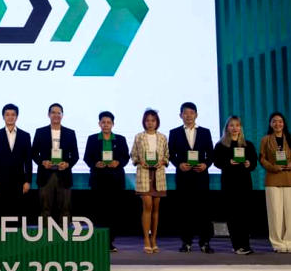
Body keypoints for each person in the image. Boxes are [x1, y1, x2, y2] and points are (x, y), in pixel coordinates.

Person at [168, 101, 214, 253]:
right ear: (180, 115)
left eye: (191, 113)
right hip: (183, 176)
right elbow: (170, 154)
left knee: (204, 210)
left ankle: (205, 242)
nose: (188, 116)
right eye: (185, 113)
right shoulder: (174, 132)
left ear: (196, 115)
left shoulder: (205, 132)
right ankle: (186, 242)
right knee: (185, 210)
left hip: (201, 176)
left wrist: (206, 164)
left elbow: (211, 154)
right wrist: (179, 164)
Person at [84, 111, 129, 252]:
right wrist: (95, 163)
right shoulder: (92, 139)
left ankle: (110, 241)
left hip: (115, 181)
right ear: (99, 124)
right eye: (103, 122)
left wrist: (118, 162)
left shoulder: (120, 139)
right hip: (98, 180)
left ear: (113, 124)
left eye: (108, 122)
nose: (106, 125)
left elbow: (126, 157)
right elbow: (87, 157)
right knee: (99, 212)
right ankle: (99, 240)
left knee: (113, 212)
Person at [213, 115, 258, 255]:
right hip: (229, 184)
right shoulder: (220, 145)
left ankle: (245, 244)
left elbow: (254, 163)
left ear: (241, 127)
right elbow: (216, 162)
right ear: (227, 127)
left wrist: (249, 163)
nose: (234, 128)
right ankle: (237, 245)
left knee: (244, 215)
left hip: (244, 184)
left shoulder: (248, 145)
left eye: (237, 125)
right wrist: (228, 162)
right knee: (232, 215)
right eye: (231, 125)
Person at [259, 111, 291, 253]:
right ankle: (278, 244)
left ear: (284, 124)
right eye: (274, 121)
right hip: (272, 179)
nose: (277, 124)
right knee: (275, 214)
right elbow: (262, 159)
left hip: (290, 179)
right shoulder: (265, 139)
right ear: (270, 124)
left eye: (280, 121)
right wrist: (273, 167)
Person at [32, 103, 79, 222]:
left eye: (59, 113)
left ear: (62, 115)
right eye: (53, 112)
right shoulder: (40, 132)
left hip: (64, 175)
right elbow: (33, 153)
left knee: (65, 209)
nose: (56, 115)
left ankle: (64, 233)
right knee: (44, 208)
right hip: (45, 175)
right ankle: (44, 232)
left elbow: (75, 155)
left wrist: (67, 164)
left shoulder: (70, 133)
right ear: (48, 114)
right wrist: (42, 162)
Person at [130, 108, 169, 253]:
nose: (150, 123)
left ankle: (154, 239)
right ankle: (146, 239)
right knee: (147, 206)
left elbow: (167, 155)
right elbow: (133, 154)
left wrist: (162, 162)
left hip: (158, 175)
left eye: (153, 120)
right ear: (144, 122)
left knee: (156, 209)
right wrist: (140, 161)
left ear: (157, 122)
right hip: (144, 174)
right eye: (147, 120)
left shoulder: (163, 137)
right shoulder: (139, 137)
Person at [0, 103, 32, 223]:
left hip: (19, 181)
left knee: (17, 211)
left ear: (17, 116)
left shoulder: (25, 136)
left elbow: (28, 161)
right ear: (3, 116)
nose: (10, 117)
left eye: (13, 114)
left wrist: (28, 181)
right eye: (7, 114)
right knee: (1, 212)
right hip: (0, 181)